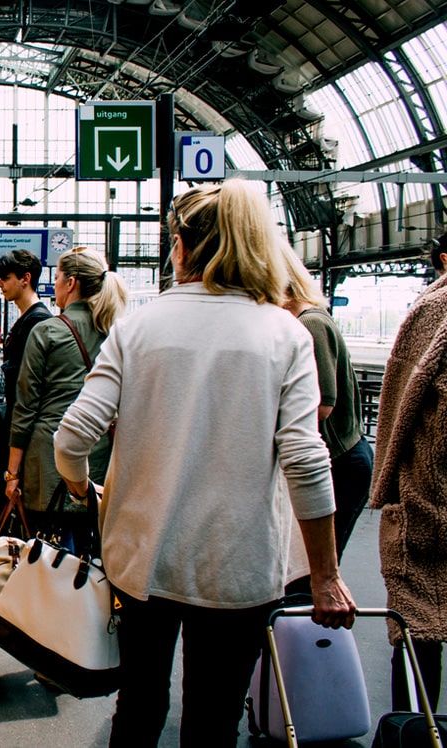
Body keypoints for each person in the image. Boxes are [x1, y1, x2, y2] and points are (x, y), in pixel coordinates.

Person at [52, 180, 356, 747]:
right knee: (215, 719)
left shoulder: (137, 329)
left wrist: (82, 490)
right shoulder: (285, 335)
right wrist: (326, 575)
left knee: (139, 704)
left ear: (183, 247)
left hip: (143, 561)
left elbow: (71, 438)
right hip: (238, 569)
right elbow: (306, 461)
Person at [369, 231, 447, 712]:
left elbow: (401, 405)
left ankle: (415, 733)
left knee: (420, 634)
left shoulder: (433, 310)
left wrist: (392, 491)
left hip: (429, 502)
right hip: (430, 499)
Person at [2, 248, 127, 546]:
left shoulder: (47, 331)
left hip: (47, 464)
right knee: (92, 549)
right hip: (99, 457)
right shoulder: (116, 332)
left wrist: (12, 473)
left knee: (50, 554)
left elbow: (26, 409)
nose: (54, 285)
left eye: (56, 277)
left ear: (71, 283)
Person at [281, 250, 373, 559]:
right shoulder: (314, 317)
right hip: (345, 455)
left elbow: (320, 406)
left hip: (342, 462)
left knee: (317, 561)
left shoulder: (310, 324)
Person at [0, 250, 52, 535]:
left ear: (26, 279)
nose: (0, 284)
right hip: (13, 435)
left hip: (17, 440)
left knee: (6, 523)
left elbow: (27, 396)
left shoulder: (36, 324)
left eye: (5, 278)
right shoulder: (29, 320)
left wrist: (13, 470)